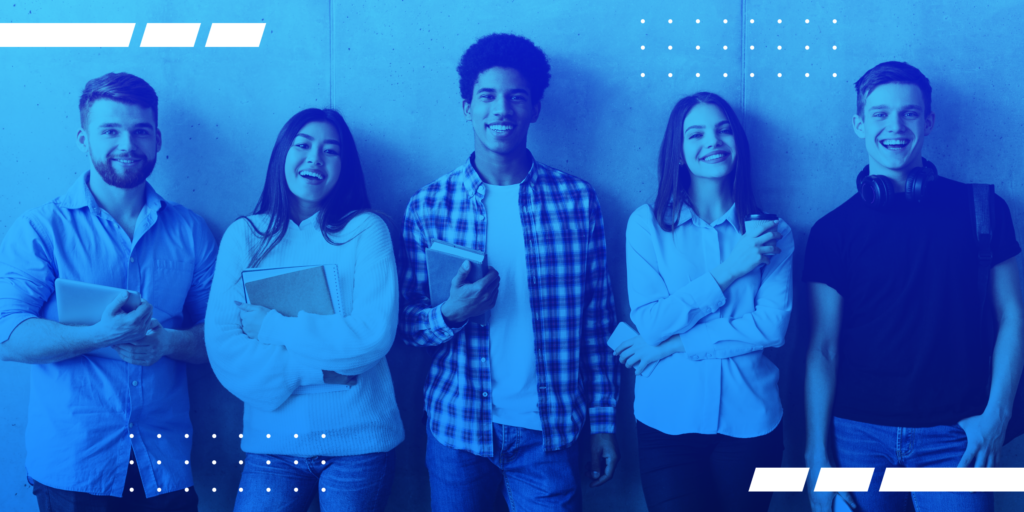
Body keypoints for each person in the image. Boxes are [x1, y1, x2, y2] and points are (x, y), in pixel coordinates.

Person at [399, 33, 619, 511]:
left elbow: (598, 323)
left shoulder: (577, 202)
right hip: (457, 428)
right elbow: (405, 325)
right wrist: (450, 314)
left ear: (535, 108)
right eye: (488, 96)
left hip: (552, 431)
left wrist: (603, 423)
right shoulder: (430, 205)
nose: (502, 109)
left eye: (516, 96)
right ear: (466, 107)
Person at [804, 61, 1024, 512]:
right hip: (857, 435)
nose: (895, 126)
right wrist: (816, 457)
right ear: (859, 124)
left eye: (909, 113)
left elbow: (1013, 316)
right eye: (880, 114)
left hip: (957, 435)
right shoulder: (831, 230)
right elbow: (823, 348)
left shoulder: (982, 209)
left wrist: (997, 417)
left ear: (928, 121)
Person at [0, 72, 215, 511]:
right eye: (110, 130)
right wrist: (102, 336)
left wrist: (168, 342)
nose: (127, 144)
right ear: (84, 139)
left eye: (140, 131)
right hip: (75, 465)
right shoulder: (41, 230)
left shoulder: (192, 231)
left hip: (166, 464)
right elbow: (7, 332)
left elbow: (222, 335)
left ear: (157, 138)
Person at [204, 108, 403, 512]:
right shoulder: (244, 236)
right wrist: (325, 369)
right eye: (303, 145)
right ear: (282, 155)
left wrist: (271, 325)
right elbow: (224, 346)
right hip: (273, 445)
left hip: (359, 443)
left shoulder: (366, 230)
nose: (315, 158)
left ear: (344, 168)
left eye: (331, 151)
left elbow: (371, 336)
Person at [615, 92, 792, 512]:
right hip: (666, 424)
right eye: (696, 134)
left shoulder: (774, 232)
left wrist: (674, 345)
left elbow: (771, 328)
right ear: (678, 152)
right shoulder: (646, 225)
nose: (712, 141)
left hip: (752, 422)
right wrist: (732, 269)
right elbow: (653, 322)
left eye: (723, 130)